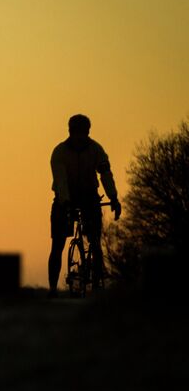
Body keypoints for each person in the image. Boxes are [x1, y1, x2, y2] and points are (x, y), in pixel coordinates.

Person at [48, 114, 122, 297]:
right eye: (78, 133)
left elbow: (106, 173)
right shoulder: (59, 152)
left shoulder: (96, 150)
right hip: (65, 197)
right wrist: (65, 202)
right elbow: (61, 179)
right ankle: (52, 288)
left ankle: (96, 284)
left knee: (95, 242)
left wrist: (113, 197)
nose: (82, 137)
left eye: (85, 133)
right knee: (57, 244)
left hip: (89, 196)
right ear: (71, 132)